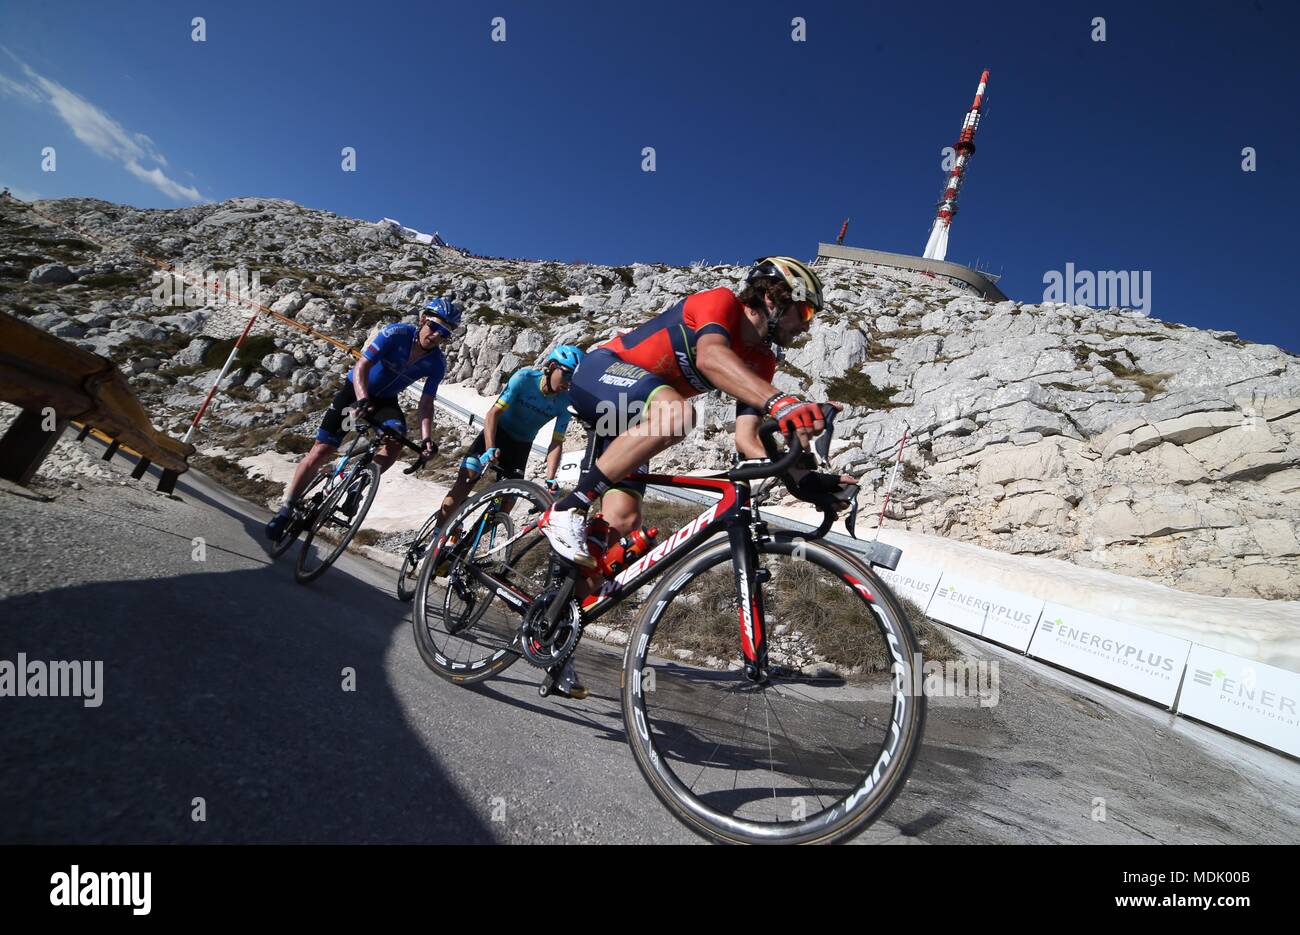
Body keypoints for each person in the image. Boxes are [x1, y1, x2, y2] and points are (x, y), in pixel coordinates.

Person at [543, 256, 855, 561]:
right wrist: (783, 403)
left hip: (631, 423)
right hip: (602, 372)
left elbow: (747, 441)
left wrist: (804, 479)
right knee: (678, 415)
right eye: (806, 312)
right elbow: (710, 357)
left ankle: (559, 604)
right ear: (774, 297)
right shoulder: (721, 302)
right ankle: (567, 508)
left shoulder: (762, 361)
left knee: (622, 523)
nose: (806, 326)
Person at [264, 298, 460, 540]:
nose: (436, 335)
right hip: (356, 391)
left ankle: (359, 483)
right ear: (422, 320)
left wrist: (427, 439)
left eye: (444, 333)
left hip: (385, 402)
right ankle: (286, 507)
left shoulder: (437, 363)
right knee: (322, 450)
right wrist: (361, 398)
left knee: (396, 439)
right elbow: (362, 366)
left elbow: (426, 402)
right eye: (434, 326)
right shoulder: (396, 333)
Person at [431, 345, 583, 532]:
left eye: (573, 378)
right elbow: (493, 414)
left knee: (508, 502)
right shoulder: (524, 379)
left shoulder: (565, 401)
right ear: (552, 366)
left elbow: (557, 441)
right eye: (566, 374)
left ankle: (466, 547)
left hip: (521, 446)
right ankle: (436, 535)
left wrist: (551, 478)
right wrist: (489, 448)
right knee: (467, 478)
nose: (568, 382)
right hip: (497, 434)